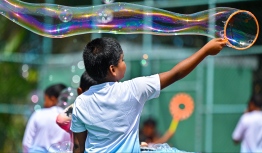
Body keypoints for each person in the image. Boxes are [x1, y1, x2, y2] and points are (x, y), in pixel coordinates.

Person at [71, 37, 226, 152]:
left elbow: (82, 147)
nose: (124, 63)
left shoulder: (80, 103)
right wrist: (205, 51)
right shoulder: (133, 89)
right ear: (113, 69)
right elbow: (175, 74)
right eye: (122, 60)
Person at [22, 83, 71, 153]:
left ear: (53, 99)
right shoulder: (69, 118)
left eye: (45, 99)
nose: (44, 103)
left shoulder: (38, 114)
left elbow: (26, 143)